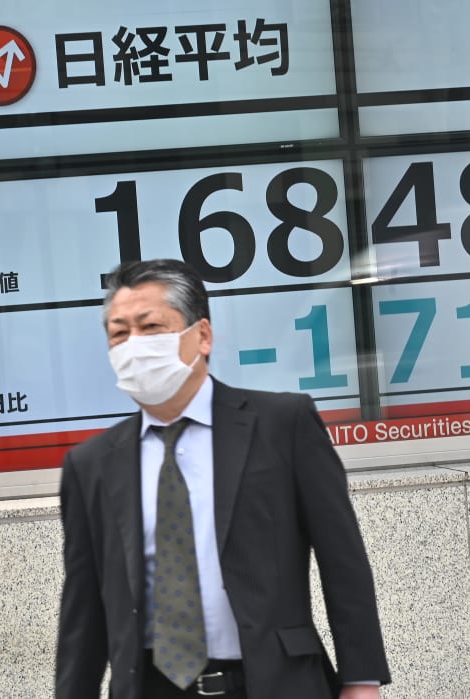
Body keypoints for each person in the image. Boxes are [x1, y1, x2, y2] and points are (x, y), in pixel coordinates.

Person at [56, 259, 390, 698]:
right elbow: (83, 609)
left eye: (150, 326)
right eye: (119, 333)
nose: (134, 345)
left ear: (203, 336)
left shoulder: (281, 425)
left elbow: (342, 560)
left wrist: (361, 680)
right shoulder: (92, 464)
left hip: (270, 683)